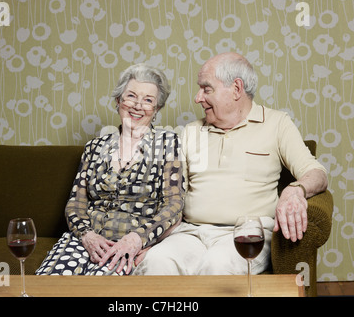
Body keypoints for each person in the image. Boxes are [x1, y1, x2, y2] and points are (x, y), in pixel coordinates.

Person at [133, 52, 328, 276]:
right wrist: (151, 238)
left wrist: (295, 191)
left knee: (217, 266)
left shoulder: (277, 124)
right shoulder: (191, 131)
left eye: (207, 89)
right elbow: (172, 196)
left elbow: (317, 173)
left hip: (246, 233)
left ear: (236, 89)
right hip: (190, 233)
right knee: (156, 262)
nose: (197, 98)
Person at [36, 63, 184, 276]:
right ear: (118, 100)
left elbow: (174, 204)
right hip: (87, 240)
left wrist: (138, 240)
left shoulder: (168, 143)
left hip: (129, 243)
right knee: (49, 283)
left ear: (157, 109)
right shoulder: (95, 147)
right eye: (131, 96)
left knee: (99, 289)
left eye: (148, 100)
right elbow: (76, 203)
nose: (138, 105)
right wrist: (87, 236)